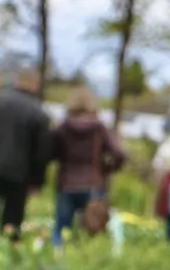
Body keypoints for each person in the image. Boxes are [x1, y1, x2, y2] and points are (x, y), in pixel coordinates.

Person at [47, 86, 126, 247]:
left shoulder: (63, 128)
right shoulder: (100, 129)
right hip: (93, 184)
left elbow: (50, 153)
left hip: (67, 183)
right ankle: (87, 257)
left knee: (61, 227)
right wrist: (107, 169)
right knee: (93, 229)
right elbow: (119, 154)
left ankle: (57, 256)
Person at [0, 69, 52, 244]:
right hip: (18, 173)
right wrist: (37, 180)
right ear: (36, 85)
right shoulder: (38, 113)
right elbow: (41, 152)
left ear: (16, 81)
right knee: (12, 218)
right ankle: (9, 249)